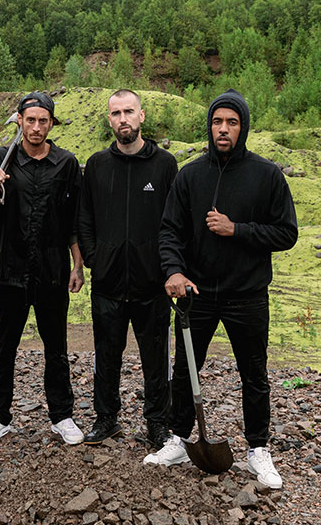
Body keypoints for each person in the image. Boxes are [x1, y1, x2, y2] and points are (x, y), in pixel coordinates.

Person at [144, 89, 298, 489]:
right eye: (217, 122)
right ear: (209, 126)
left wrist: (238, 230)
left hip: (247, 295)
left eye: (231, 122)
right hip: (197, 295)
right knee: (185, 369)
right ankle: (178, 438)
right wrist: (174, 272)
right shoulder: (191, 175)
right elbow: (170, 231)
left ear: (243, 126)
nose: (223, 129)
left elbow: (287, 233)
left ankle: (257, 449)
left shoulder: (267, 175)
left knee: (254, 372)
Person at [0, 92, 85, 446]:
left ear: (52, 124)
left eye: (43, 120)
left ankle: (62, 415)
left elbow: (72, 220)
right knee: (4, 345)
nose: (36, 127)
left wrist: (78, 265)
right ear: (19, 121)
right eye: (30, 120)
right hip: (9, 269)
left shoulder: (66, 163)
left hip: (52, 270)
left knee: (56, 346)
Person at [77, 89, 177, 447]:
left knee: (155, 358)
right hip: (108, 281)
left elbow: (174, 220)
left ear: (142, 116)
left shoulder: (164, 165)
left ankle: (157, 424)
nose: (123, 119)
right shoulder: (98, 165)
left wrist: (167, 267)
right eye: (116, 113)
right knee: (105, 354)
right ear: (109, 120)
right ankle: (106, 419)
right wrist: (93, 257)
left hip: (152, 284)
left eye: (129, 112)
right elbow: (84, 216)